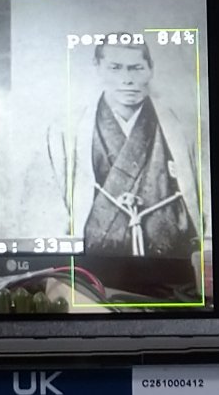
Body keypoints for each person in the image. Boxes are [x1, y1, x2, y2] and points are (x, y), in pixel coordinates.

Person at [46, 37, 200, 264]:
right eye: (115, 68)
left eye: (136, 68)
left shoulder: (183, 127)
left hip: (173, 259)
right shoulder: (67, 130)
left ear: (150, 69)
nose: (127, 79)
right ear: (97, 68)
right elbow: (55, 210)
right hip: (92, 262)